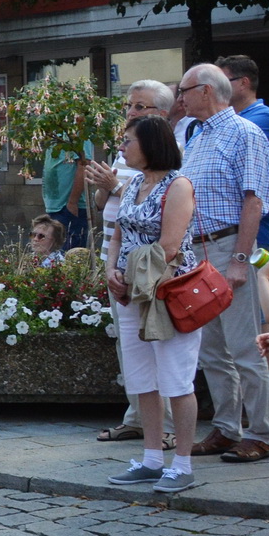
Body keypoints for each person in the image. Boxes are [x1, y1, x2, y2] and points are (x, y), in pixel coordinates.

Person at [177, 63, 269, 462]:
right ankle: (225, 427)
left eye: (184, 90)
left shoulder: (245, 133)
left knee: (244, 346)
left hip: (228, 246)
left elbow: (254, 200)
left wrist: (240, 259)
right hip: (200, 252)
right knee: (212, 349)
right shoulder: (197, 135)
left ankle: (261, 432)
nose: (180, 97)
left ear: (206, 90)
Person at [102, 116, 201, 493]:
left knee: (176, 377)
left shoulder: (177, 186)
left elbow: (171, 245)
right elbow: (117, 234)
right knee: (141, 378)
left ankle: (184, 464)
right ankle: (151, 458)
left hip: (166, 294)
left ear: (151, 144)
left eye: (128, 141)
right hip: (129, 294)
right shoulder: (133, 185)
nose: (123, 148)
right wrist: (111, 270)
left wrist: (129, 276)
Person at [84, 81, 177, 446]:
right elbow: (100, 204)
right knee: (128, 347)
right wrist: (105, 186)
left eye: (141, 106)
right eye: (130, 105)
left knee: (157, 346)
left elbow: (157, 207)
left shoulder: (167, 153)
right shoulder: (127, 152)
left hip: (149, 268)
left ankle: (165, 427)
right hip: (116, 258)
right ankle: (138, 418)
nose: (132, 112)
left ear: (162, 114)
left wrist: (116, 187)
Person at [217, 55, 269, 253]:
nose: (218, 88)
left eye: (223, 82)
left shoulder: (264, 117)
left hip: (254, 235)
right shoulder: (229, 120)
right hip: (226, 234)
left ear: (244, 82)